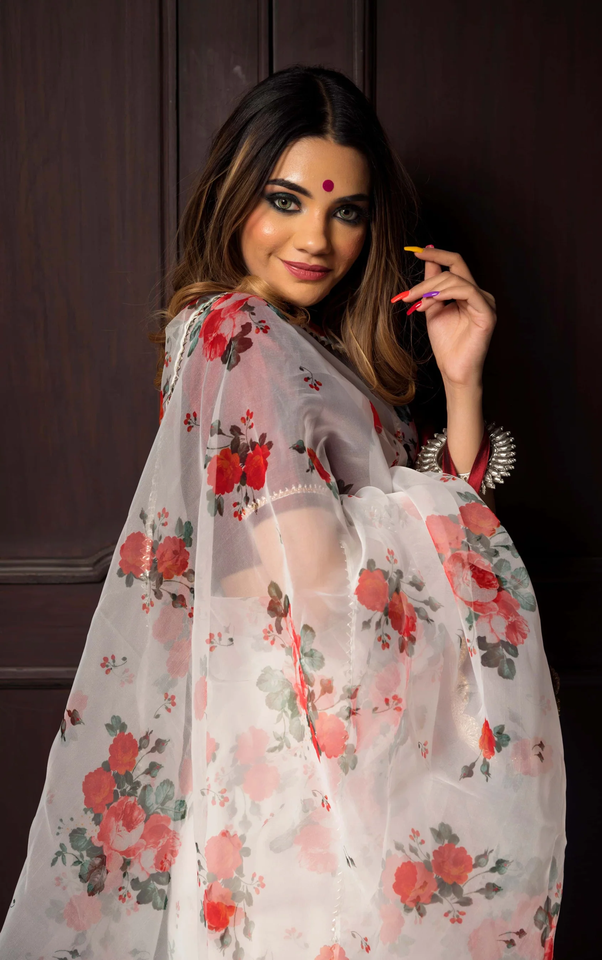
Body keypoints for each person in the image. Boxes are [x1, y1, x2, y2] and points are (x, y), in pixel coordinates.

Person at [0, 65, 565, 960]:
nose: (314, 238)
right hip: (300, 757)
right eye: (285, 200)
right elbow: (320, 581)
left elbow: (418, 522)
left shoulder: (280, 341)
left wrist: (460, 380)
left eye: (345, 211)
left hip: (290, 740)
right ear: (234, 191)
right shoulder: (243, 334)